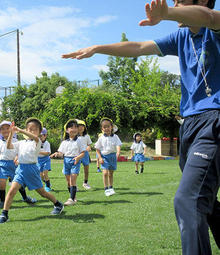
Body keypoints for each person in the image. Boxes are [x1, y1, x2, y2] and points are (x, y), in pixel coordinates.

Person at [62, 0, 220, 253]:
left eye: (180, 1)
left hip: (214, 121)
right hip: (190, 125)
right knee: (204, 201)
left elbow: (209, 17)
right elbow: (137, 46)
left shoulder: (214, 27)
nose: (175, 4)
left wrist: (167, 13)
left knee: (188, 201)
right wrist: (98, 48)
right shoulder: (180, 37)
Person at [0, 118, 64, 224]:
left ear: (39, 132)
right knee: (12, 190)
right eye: (29, 129)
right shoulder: (21, 143)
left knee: (42, 193)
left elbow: (35, 138)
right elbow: (8, 146)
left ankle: (58, 204)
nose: (31, 131)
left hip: (32, 170)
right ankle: (4, 214)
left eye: (34, 129)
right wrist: (11, 133)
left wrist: (21, 130)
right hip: (21, 169)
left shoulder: (37, 141)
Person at [0, 120, 36, 209]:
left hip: (13, 164)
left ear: (12, 129)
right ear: (0, 131)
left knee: (17, 183)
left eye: (7, 128)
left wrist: (17, 157)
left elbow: (19, 151)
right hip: (2, 164)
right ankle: (2, 201)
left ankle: (25, 197)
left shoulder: (16, 140)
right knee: (2, 183)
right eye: (3, 129)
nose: (5, 130)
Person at [50, 119, 85, 206]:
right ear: (67, 130)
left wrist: (78, 158)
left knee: (73, 180)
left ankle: (71, 199)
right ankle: (73, 196)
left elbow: (83, 153)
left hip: (75, 161)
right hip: (66, 161)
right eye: (71, 127)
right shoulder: (64, 142)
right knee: (68, 182)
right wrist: (56, 154)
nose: (74, 129)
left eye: (76, 127)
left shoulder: (79, 141)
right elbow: (61, 153)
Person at [94, 118, 121, 197]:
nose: (106, 128)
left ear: (111, 127)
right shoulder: (101, 138)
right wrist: (100, 158)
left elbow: (118, 145)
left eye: (108, 126)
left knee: (111, 173)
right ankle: (106, 189)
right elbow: (97, 149)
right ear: (102, 129)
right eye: (104, 127)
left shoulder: (115, 137)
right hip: (104, 157)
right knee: (105, 173)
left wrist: (118, 152)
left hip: (112, 156)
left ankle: (111, 187)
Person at [77, 120, 92, 190]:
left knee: (86, 169)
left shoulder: (87, 136)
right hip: (77, 154)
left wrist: (88, 148)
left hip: (85, 154)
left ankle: (85, 183)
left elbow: (89, 145)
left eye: (82, 127)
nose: (81, 128)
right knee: (76, 170)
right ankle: (74, 184)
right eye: (79, 126)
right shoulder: (74, 136)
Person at [38, 128, 52, 192]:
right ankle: (47, 182)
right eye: (39, 136)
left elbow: (48, 153)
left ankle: (48, 186)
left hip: (46, 159)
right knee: (41, 176)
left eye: (41, 136)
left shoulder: (47, 143)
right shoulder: (37, 142)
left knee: (45, 173)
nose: (40, 137)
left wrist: (38, 152)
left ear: (45, 136)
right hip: (39, 160)